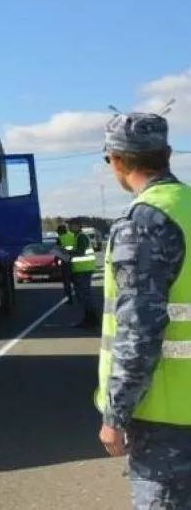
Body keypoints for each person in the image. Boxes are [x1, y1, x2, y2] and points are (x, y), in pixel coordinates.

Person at [94, 112, 191, 509]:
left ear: (117, 160)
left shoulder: (145, 220)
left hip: (167, 416)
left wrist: (116, 414)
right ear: (166, 153)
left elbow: (140, 330)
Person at [69, 222, 99, 328]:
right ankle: (89, 319)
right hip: (82, 270)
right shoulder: (78, 236)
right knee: (83, 295)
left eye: (71, 225)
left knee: (85, 296)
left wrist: (66, 253)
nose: (69, 227)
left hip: (84, 270)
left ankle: (91, 320)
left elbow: (80, 252)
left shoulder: (81, 237)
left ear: (78, 226)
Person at [56, 223, 76, 303]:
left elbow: (57, 252)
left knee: (67, 282)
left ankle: (69, 298)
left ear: (60, 231)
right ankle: (79, 295)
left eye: (58, 231)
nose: (57, 233)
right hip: (76, 262)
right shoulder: (73, 236)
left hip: (66, 262)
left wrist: (56, 263)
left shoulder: (60, 239)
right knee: (76, 280)